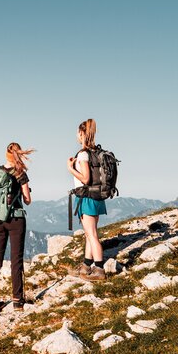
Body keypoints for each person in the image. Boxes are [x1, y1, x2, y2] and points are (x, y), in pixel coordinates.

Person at [0, 142, 33, 313]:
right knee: (16, 260)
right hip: (15, 220)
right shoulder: (20, 173)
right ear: (18, 154)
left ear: (6, 155)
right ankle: (17, 300)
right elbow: (27, 200)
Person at [68, 119, 107, 281]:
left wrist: (70, 169)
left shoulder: (83, 154)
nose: (77, 136)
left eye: (78, 133)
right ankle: (86, 266)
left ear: (82, 133)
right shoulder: (96, 153)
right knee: (89, 234)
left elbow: (85, 178)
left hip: (87, 197)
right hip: (97, 196)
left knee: (91, 234)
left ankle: (99, 269)